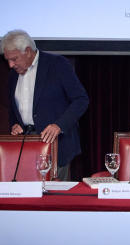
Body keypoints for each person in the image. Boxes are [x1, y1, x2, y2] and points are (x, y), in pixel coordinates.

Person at [0, 30, 89, 181]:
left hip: (56, 144)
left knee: (54, 199)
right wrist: (14, 124)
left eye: (14, 59)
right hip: (26, 145)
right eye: (7, 60)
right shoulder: (13, 76)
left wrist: (59, 125)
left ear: (28, 51)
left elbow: (81, 99)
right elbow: (12, 109)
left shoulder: (57, 64)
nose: (10, 65)